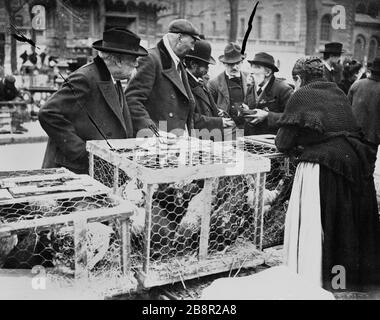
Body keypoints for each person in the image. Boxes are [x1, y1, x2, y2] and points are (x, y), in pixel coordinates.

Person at [275, 56, 380, 291]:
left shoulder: (301, 94)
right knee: (342, 226)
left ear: (299, 78)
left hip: (322, 168)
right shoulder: (338, 92)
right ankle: (341, 283)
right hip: (351, 163)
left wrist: (299, 143)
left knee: (320, 226)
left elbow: (283, 142)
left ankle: (314, 278)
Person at [38, 27, 147, 174]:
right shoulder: (85, 78)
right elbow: (48, 114)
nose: (136, 64)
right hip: (74, 170)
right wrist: (81, 153)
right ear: (119, 60)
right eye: (133, 59)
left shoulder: (113, 79)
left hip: (98, 168)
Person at [125, 19, 200, 138]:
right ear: (180, 38)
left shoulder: (177, 62)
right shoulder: (150, 59)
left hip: (176, 142)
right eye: (192, 42)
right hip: (156, 144)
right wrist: (155, 133)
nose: (193, 48)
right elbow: (132, 100)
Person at [183, 39, 235, 140]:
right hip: (196, 140)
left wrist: (215, 110)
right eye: (205, 65)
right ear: (193, 64)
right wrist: (218, 122)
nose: (207, 69)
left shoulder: (199, 81)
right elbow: (187, 117)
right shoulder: (184, 84)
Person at [243, 52, 293, 135]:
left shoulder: (283, 89)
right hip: (251, 141)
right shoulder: (251, 87)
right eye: (252, 67)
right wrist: (244, 110)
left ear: (268, 72)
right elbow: (246, 105)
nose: (251, 71)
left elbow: (292, 118)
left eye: (257, 67)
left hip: (271, 142)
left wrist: (267, 115)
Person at [348, 56, 380, 171]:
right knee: (366, 172)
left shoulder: (356, 85)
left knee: (351, 169)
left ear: (371, 70)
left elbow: (347, 110)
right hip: (371, 141)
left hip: (352, 138)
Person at [207, 42, 249, 128]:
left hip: (247, 128)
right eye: (231, 64)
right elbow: (209, 109)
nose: (234, 67)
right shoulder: (214, 83)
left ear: (242, 62)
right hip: (226, 129)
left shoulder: (249, 79)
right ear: (224, 63)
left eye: (237, 63)